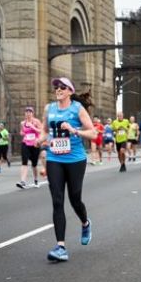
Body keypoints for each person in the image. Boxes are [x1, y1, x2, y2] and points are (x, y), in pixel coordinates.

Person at [36, 77, 96, 262]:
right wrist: (40, 139)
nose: (58, 89)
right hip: (55, 158)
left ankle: (85, 223)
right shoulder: (49, 108)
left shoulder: (77, 109)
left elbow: (93, 133)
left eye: (62, 87)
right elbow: (46, 130)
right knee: (57, 200)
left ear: (70, 91)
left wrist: (75, 130)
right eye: (56, 87)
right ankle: (60, 247)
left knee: (75, 198)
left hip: (75, 159)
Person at [17, 106, 42, 189]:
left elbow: (41, 131)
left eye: (30, 112)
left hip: (35, 144)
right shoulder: (22, 123)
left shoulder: (36, 121)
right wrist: (22, 133)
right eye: (26, 112)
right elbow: (22, 131)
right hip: (25, 143)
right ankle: (22, 181)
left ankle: (36, 180)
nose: (28, 113)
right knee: (24, 162)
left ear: (32, 113)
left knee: (34, 165)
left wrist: (33, 127)